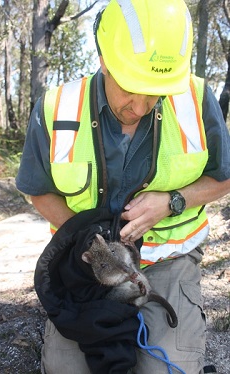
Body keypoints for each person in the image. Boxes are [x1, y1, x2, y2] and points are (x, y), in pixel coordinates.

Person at [16, 0, 230, 373]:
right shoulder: (56, 106)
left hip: (167, 261)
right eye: (131, 88)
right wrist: (85, 239)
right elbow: (38, 188)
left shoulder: (196, 99)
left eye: (156, 92)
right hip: (86, 268)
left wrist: (174, 201)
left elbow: (223, 176)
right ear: (104, 61)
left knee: (165, 368)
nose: (141, 105)